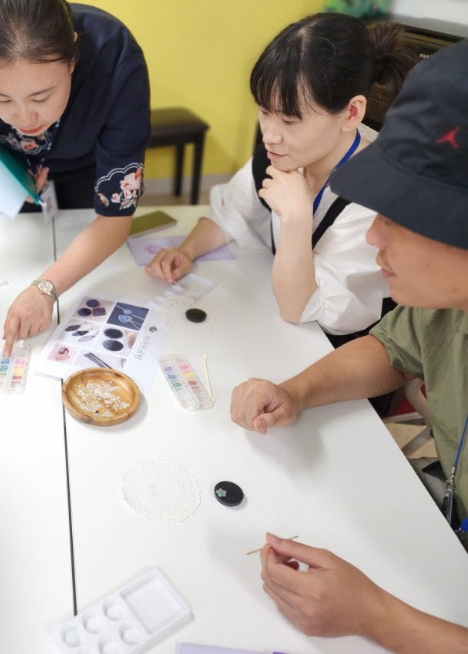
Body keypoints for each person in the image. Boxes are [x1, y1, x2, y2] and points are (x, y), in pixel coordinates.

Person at [231, 40, 468, 649]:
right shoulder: (442, 303)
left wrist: (373, 617)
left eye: (406, 215)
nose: (377, 234)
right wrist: (297, 390)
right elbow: (392, 351)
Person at [145, 13, 415, 346]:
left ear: (352, 113)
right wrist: (186, 251)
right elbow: (232, 211)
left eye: (289, 119)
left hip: (337, 350)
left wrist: (297, 219)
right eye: (264, 111)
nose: (270, 135)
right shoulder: (286, 153)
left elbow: (301, 308)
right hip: (282, 330)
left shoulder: (379, 197)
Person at [0, 0, 150, 354]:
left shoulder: (116, 59)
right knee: (23, 253)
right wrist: (10, 170)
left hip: (88, 162)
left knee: (79, 259)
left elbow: (114, 219)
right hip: (17, 166)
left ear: (73, 59)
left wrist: (46, 288)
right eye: (0, 98)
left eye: (42, 96)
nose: (24, 117)